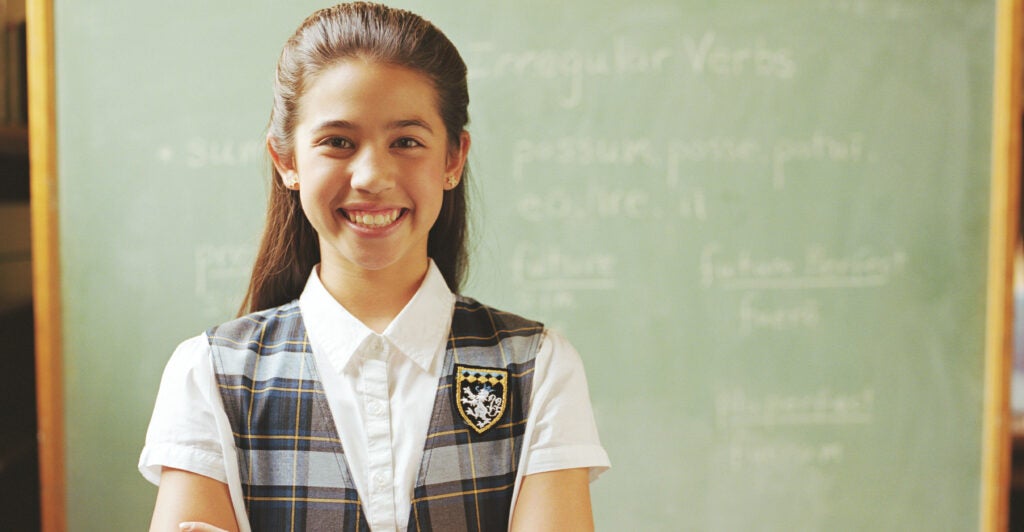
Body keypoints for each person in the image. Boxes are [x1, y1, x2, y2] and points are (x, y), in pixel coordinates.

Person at [139, 2, 609, 531]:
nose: (372, 175)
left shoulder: (538, 368)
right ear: (287, 161)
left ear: (453, 159)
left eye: (406, 142)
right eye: (338, 142)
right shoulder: (210, 375)